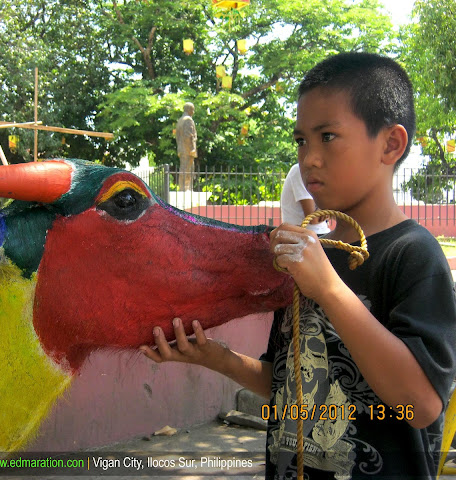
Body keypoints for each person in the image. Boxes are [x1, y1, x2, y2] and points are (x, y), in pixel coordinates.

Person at [140, 52, 456, 479]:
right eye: (301, 140)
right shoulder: (307, 258)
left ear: (391, 145)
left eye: (327, 136)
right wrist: (216, 357)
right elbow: (288, 384)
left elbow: (421, 405)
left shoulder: (412, 254)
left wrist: (329, 290)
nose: (308, 158)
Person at [281, 163, 330, 235]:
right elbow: (313, 219)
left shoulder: (320, 173)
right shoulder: (299, 171)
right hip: (307, 235)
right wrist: (327, 206)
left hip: (320, 233)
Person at [175, 102, 198, 191]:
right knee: (188, 168)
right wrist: (192, 148)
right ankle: (186, 188)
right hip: (188, 149)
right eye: (192, 110)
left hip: (181, 148)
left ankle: (183, 187)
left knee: (183, 167)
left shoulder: (180, 120)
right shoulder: (188, 120)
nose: (193, 112)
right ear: (189, 110)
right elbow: (189, 135)